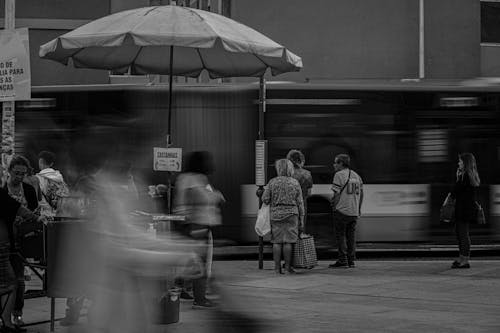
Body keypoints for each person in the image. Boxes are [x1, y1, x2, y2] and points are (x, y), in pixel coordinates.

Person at [172, 151, 224, 308]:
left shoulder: (183, 178)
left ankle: (178, 290)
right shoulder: (196, 179)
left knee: (188, 258)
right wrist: (216, 196)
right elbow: (198, 198)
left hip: (186, 223)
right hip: (198, 223)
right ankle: (200, 299)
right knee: (201, 261)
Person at [0, 169, 45, 333]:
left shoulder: (26, 189)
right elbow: (17, 208)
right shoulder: (2, 193)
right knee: (9, 283)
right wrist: (37, 219)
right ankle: (6, 324)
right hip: (3, 244)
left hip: (9, 243)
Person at [262, 159, 304, 275]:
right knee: (288, 242)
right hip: (292, 214)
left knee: (276, 241)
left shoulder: (272, 182)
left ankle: (276, 269)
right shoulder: (295, 182)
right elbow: (300, 202)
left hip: (276, 214)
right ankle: (287, 269)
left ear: (278, 168)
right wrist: (302, 218)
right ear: (290, 169)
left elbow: (265, 199)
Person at [329, 154, 363, 269]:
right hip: (354, 211)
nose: (334, 165)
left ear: (341, 163)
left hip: (342, 210)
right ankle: (351, 260)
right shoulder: (356, 175)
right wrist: (358, 208)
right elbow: (362, 194)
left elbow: (337, 193)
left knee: (341, 236)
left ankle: (342, 260)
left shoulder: (338, 175)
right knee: (351, 237)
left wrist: (335, 206)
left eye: (336, 163)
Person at [447, 153, 480, 269]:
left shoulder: (465, 176)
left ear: (465, 163)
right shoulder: (467, 175)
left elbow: (455, 191)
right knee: (460, 233)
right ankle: (462, 258)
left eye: (460, 161)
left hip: (464, 210)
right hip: (463, 209)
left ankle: (464, 261)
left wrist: (457, 178)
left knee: (463, 234)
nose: (458, 163)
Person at [36, 151, 69, 219]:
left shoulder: (38, 178)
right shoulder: (59, 177)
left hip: (46, 215)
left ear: (40, 161)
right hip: (61, 214)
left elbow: (38, 197)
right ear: (51, 164)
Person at [287, 150, 313, 231]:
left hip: (287, 205)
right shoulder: (307, 174)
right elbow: (309, 193)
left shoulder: (286, 173)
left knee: (289, 230)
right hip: (302, 204)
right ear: (301, 160)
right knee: (301, 228)